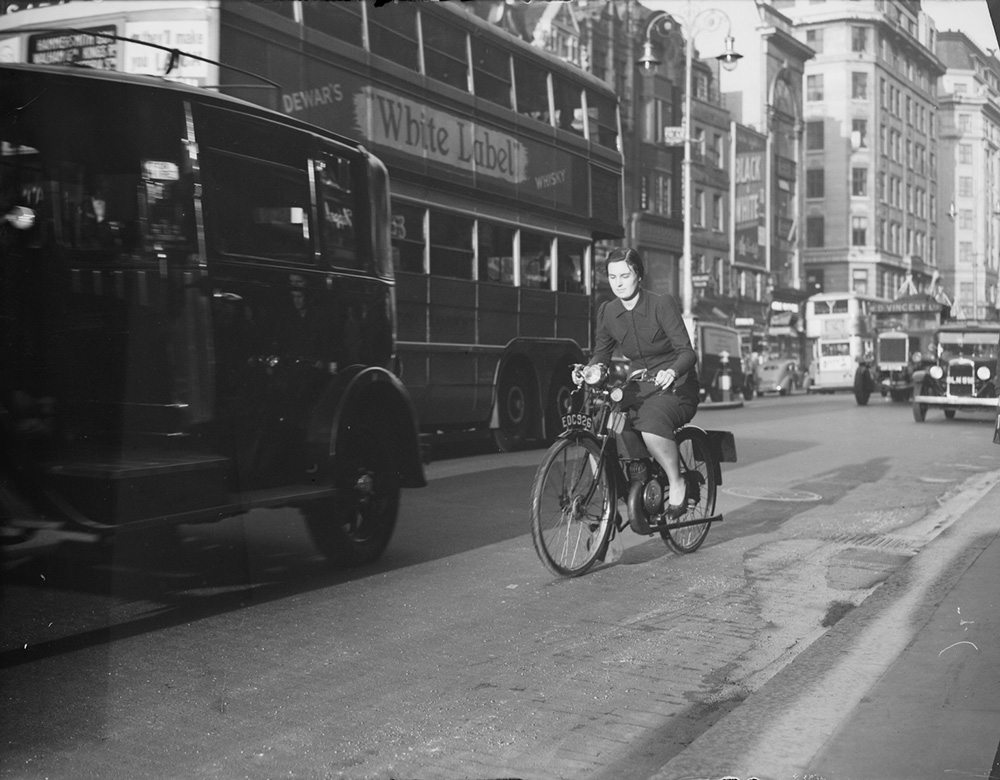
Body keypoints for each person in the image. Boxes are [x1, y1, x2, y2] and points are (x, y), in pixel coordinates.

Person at [576, 247, 700, 517]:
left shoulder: (661, 304)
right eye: (612, 277)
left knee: (651, 421)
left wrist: (672, 372)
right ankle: (617, 493)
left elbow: (687, 352)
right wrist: (592, 369)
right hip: (638, 387)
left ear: (639, 275)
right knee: (603, 429)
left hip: (676, 387)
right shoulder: (608, 311)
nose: (618, 283)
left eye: (624, 275)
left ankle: (677, 482)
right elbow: (602, 352)